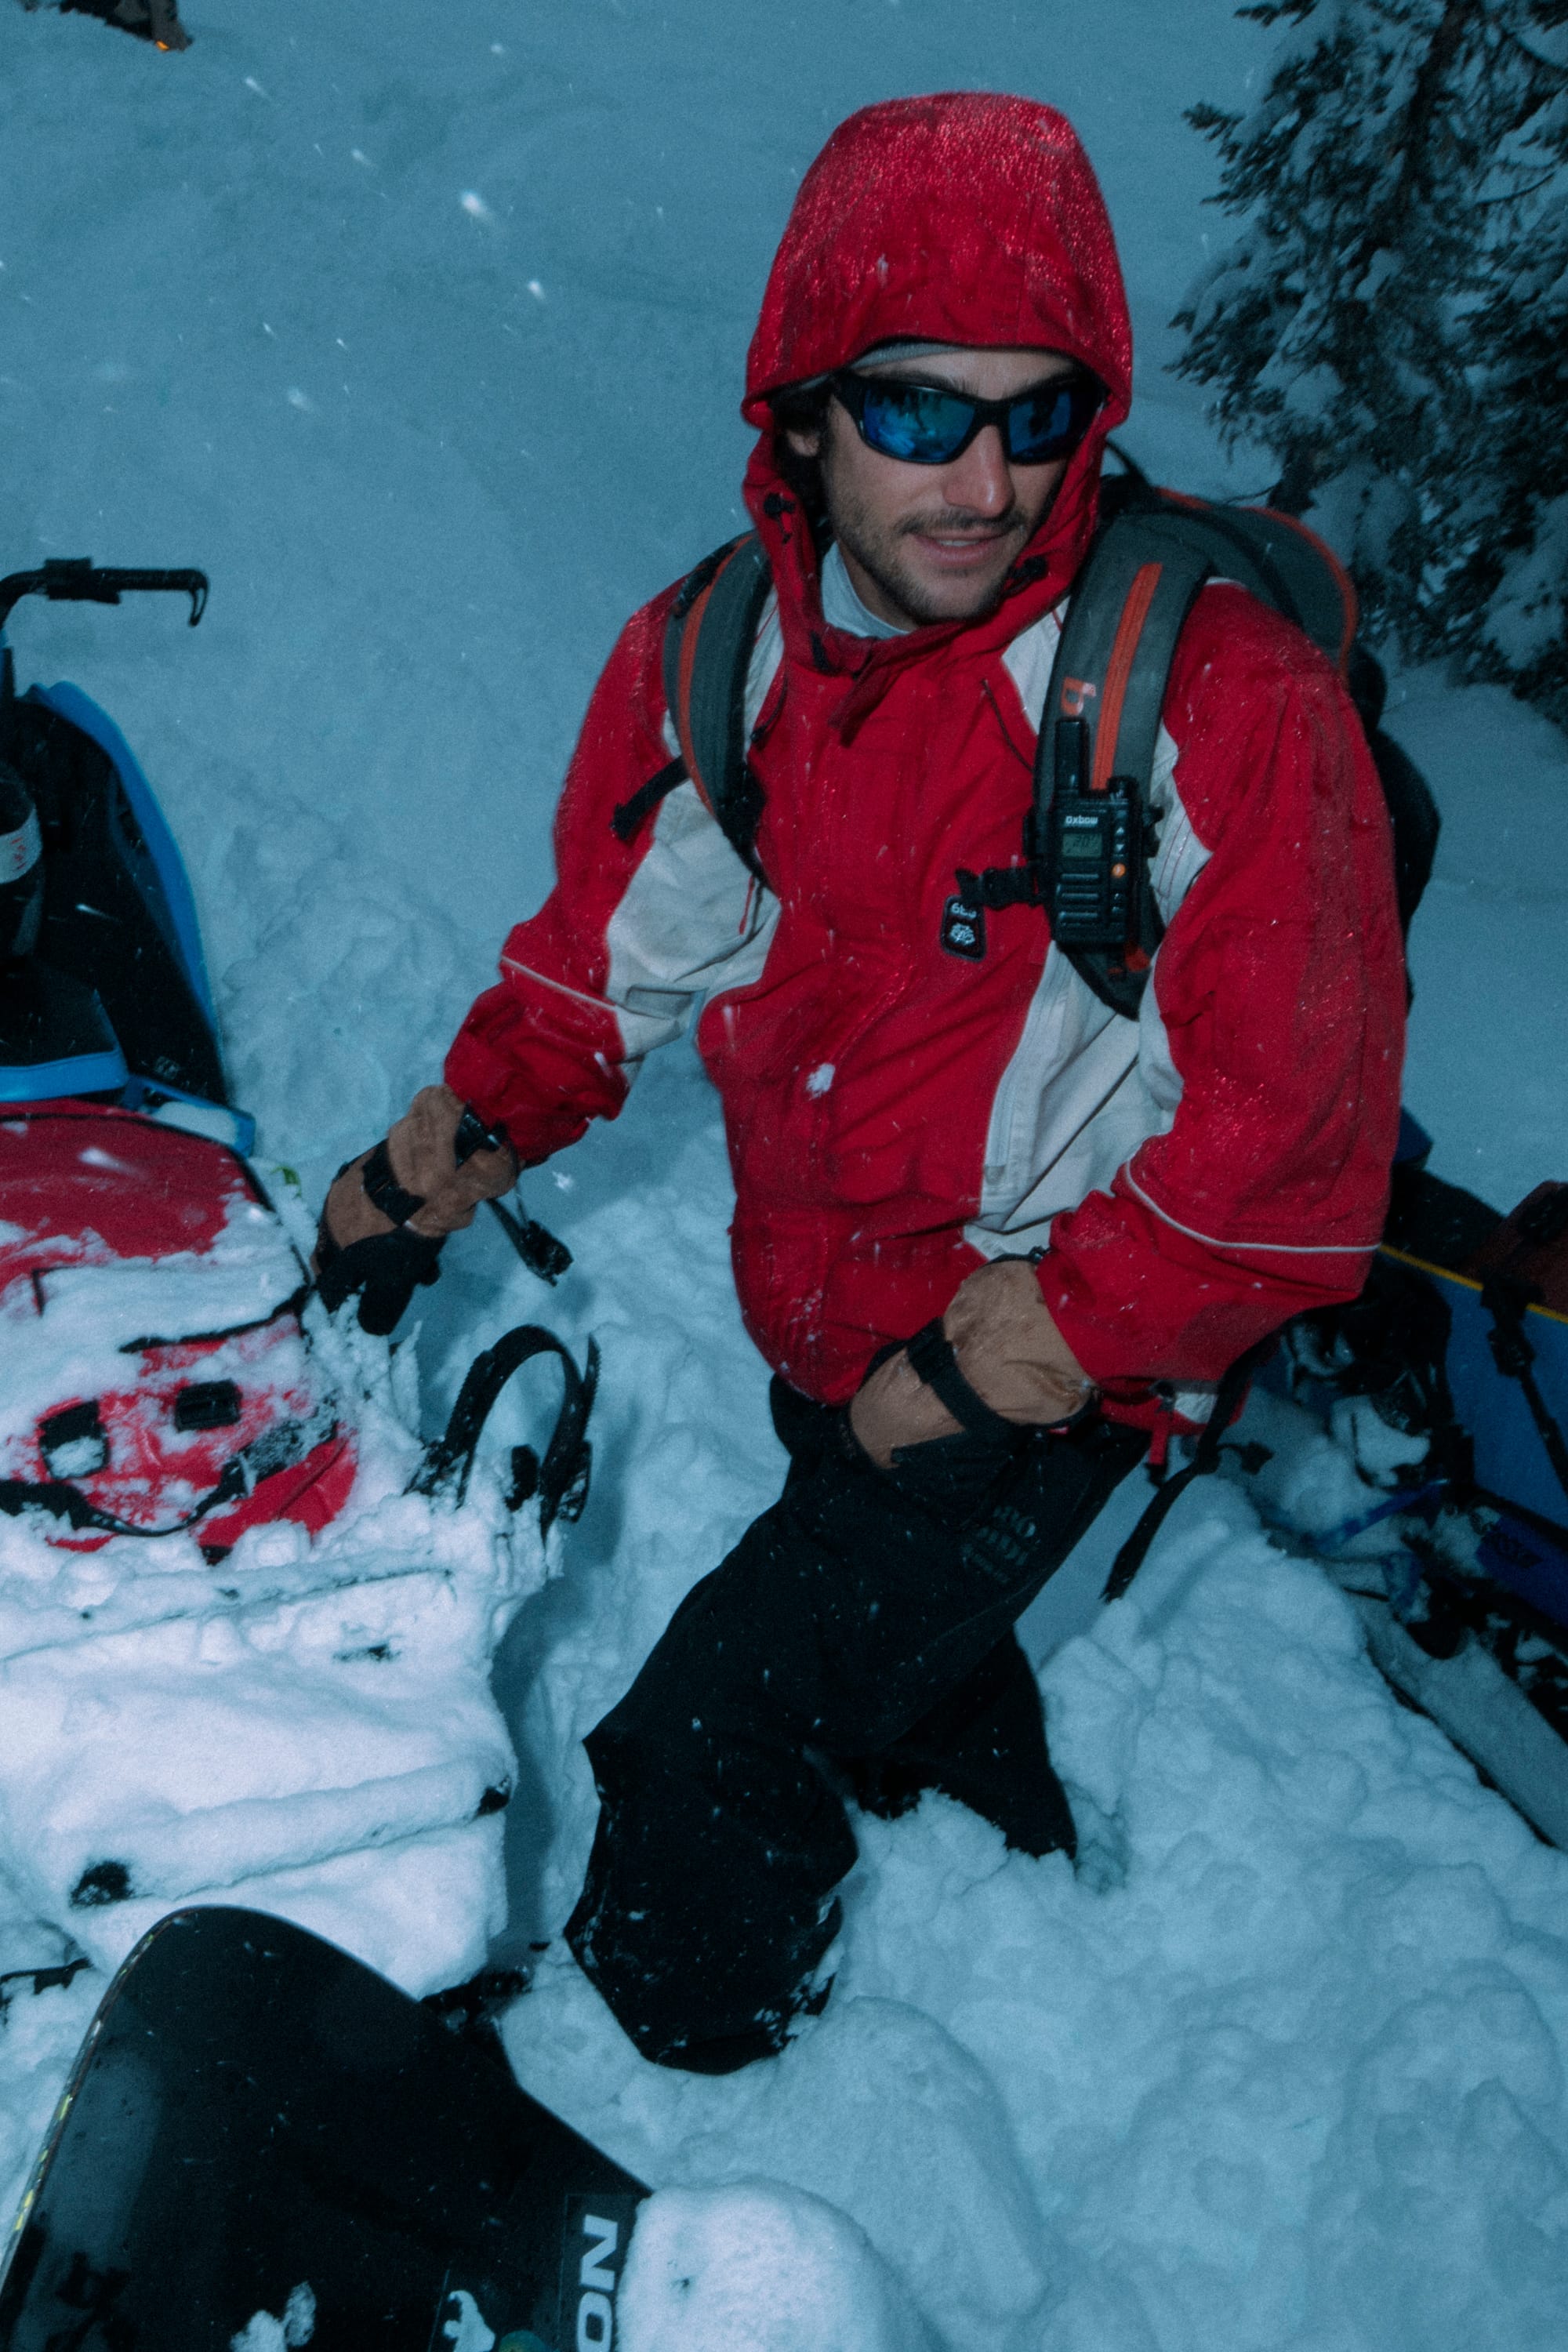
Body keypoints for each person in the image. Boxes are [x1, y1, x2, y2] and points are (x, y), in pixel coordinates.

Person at [318, 93, 1406, 2072]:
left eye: (1037, 412)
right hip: (831, 1321)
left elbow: (1291, 1159)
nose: (981, 480)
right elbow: (601, 973)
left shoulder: (1222, 698)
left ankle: (714, 2069)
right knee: (876, 1618)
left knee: (705, 1745)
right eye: (915, 410)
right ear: (799, 414)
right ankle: (992, 1842)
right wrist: (421, 1174)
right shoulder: (721, 657)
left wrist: (994, 1362)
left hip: (1071, 1357)